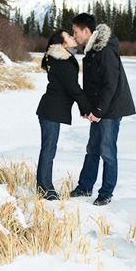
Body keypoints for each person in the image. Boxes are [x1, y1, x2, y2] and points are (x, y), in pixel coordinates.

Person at [69, 13, 136, 206]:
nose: (74, 36)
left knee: (107, 151)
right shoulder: (91, 50)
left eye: (76, 32)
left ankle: (106, 193)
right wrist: (89, 108)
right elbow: (92, 85)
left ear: (86, 31)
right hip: (100, 108)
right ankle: (84, 187)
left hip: (111, 109)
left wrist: (97, 111)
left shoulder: (105, 49)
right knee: (92, 149)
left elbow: (110, 84)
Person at [36, 29, 92, 200]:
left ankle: (44, 188)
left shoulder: (63, 58)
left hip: (51, 110)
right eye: (69, 36)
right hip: (51, 111)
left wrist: (84, 108)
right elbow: (74, 89)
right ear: (62, 45)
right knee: (48, 150)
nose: (73, 37)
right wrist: (87, 108)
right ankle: (45, 191)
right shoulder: (62, 61)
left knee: (48, 149)